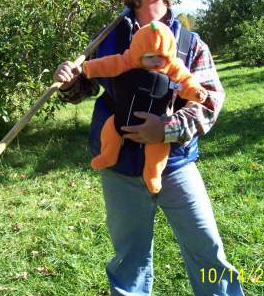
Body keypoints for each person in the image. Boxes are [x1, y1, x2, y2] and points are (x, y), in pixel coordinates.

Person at [53, 0, 255, 296]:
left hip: (175, 164)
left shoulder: (189, 43)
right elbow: (86, 87)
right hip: (119, 166)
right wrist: (68, 81)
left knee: (206, 246)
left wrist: (168, 127)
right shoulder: (109, 36)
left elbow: (210, 100)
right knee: (129, 249)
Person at [82, 20, 208, 193]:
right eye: (150, 57)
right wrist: (89, 68)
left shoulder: (176, 63)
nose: (156, 62)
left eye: (161, 57)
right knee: (110, 131)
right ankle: (107, 156)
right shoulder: (125, 55)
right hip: (122, 120)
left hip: (162, 131)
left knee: (157, 151)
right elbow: (110, 64)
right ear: (139, 54)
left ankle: (153, 174)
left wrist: (195, 93)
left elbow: (186, 82)